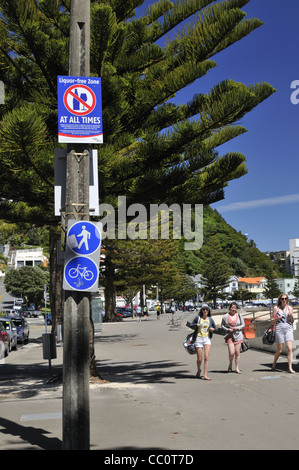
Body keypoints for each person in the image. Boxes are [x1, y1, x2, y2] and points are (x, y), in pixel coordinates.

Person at [189, 304, 218, 381]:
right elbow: (191, 325)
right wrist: (196, 325)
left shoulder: (210, 319)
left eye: (207, 309)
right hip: (198, 338)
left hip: (207, 339)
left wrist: (212, 329)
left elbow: (216, 328)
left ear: (208, 311)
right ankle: (199, 370)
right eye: (203, 309)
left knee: (206, 357)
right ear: (201, 311)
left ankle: (205, 375)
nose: (205, 311)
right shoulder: (198, 318)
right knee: (199, 359)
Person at [271, 293, 295, 374]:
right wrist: (277, 318)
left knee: (289, 348)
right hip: (279, 328)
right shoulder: (276, 308)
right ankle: (274, 363)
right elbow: (272, 320)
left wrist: (291, 316)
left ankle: (290, 367)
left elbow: (292, 321)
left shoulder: (290, 308)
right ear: (280, 300)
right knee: (280, 350)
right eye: (282, 299)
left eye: (285, 299)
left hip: (288, 328)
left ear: (287, 299)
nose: (284, 300)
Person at [221, 302, 245, 374]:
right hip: (229, 336)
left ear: (236, 308)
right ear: (230, 308)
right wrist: (227, 329)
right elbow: (222, 325)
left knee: (237, 353)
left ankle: (237, 368)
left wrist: (237, 327)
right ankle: (230, 363)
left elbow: (243, 324)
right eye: (232, 307)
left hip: (238, 335)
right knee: (232, 352)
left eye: (235, 307)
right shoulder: (225, 316)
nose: (233, 309)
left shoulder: (239, 316)